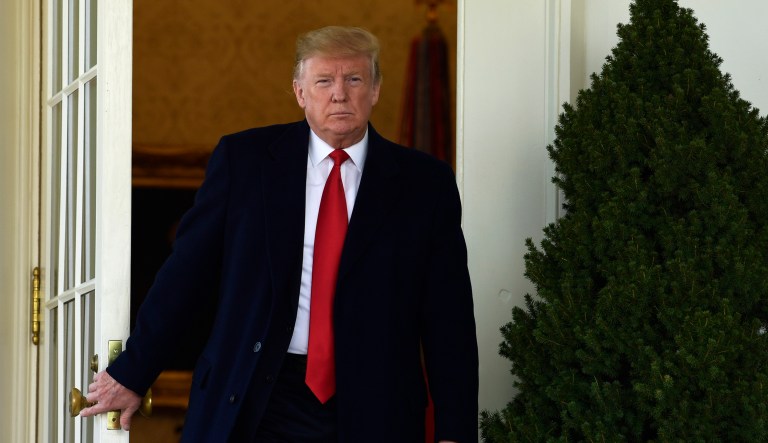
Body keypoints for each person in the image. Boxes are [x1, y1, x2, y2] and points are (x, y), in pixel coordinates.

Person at [81, 25, 478, 442]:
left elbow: (448, 319)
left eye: (354, 79)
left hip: (373, 404)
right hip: (256, 393)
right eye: (324, 81)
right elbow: (186, 277)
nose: (339, 94)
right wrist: (132, 371)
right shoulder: (245, 161)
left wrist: (454, 431)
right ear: (300, 92)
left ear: (375, 89)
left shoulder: (424, 184)